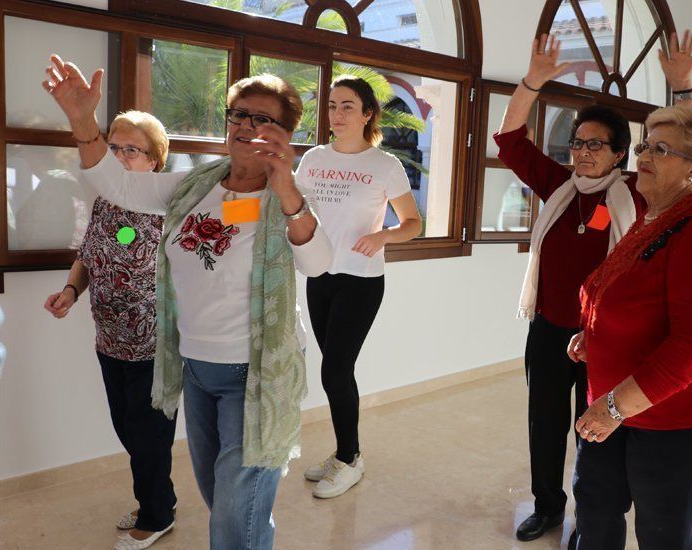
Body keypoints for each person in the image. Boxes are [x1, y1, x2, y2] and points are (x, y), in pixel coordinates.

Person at [43, 54, 332, 550]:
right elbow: (118, 185)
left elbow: (319, 263)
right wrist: (82, 119)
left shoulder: (291, 193)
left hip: (254, 372)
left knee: (233, 516)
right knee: (223, 500)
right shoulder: (196, 185)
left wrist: (284, 187)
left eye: (262, 118)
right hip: (196, 367)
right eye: (238, 114)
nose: (246, 125)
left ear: (286, 131)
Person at [496, 31, 692, 543]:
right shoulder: (560, 187)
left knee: (597, 434)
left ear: (617, 154)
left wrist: (681, 88)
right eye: (577, 142)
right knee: (544, 425)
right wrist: (532, 82)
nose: (583, 152)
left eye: (595, 145)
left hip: (607, 339)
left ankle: (595, 519)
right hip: (549, 331)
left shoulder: (641, 190)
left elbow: (688, 151)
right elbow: (510, 140)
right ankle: (547, 506)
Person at [567, 103, 692, 550]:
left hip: (678, 414)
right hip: (613, 401)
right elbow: (630, 296)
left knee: (662, 531)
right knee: (595, 510)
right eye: (645, 144)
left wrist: (614, 408)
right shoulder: (652, 219)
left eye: (661, 149)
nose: (643, 155)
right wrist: (594, 334)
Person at [43, 111, 176, 548]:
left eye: (130, 150)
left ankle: (156, 517)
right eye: (113, 147)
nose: (117, 157)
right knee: (128, 428)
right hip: (110, 340)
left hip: (155, 345)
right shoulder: (104, 202)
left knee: (148, 435)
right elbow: (88, 253)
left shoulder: (168, 207)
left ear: (154, 160)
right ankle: (161, 499)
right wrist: (70, 290)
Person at [295, 75, 422, 499]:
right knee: (335, 369)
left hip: (361, 280)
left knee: (334, 369)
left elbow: (412, 223)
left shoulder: (385, 165)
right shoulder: (312, 159)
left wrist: (383, 236)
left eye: (348, 106)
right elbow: (292, 209)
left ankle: (349, 459)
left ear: (368, 114)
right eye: (332, 105)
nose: (337, 114)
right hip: (319, 276)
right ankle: (343, 453)